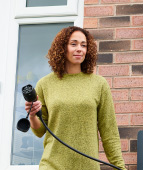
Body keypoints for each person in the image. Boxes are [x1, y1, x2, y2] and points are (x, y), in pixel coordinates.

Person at [25, 26, 126, 170]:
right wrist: (33, 116)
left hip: (87, 167)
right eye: (74, 44)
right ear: (62, 48)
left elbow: (109, 133)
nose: (79, 49)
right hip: (52, 165)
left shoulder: (99, 84)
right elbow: (40, 131)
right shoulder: (44, 84)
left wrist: (120, 167)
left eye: (83, 45)